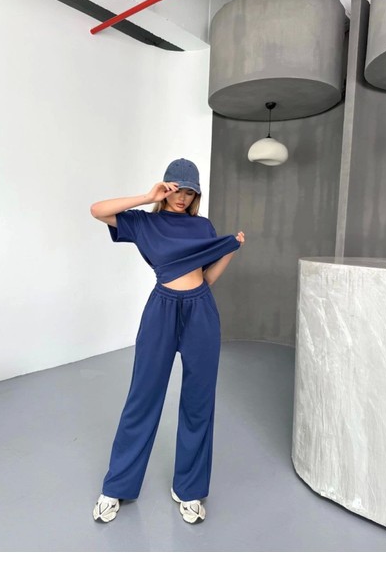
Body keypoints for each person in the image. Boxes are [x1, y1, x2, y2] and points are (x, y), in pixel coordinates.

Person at [90, 158, 245, 524]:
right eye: (177, 189)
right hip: (161, 309)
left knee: (198, 401)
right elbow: (97, 210)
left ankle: (189, 488)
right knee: (143, 396)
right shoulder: (145, 222)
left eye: (190, 192)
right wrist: (148, 196)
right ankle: (117, 485)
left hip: (201, 310)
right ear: (165, 188)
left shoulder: (203, 227)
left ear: (196, 196)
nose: (182, 197)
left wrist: (229, 250)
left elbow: (207, 279)